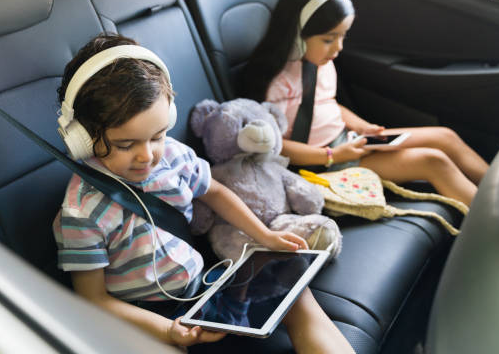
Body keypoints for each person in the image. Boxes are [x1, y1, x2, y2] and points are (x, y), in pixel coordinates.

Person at [53, 33, 355, 353]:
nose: (147, 155)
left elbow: (215, 192)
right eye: (126, 145)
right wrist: (168, 331)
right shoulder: (81, 213)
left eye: (157, 135)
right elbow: (93, 300)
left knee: (293, 292)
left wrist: (265, 236)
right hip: (150, 316)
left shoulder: (172, 155)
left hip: (203, 287)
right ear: (83, 139)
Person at [239, 0, 488, 206]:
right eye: (328, 39)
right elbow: (277, 145)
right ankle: (496, 222)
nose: (338, 48)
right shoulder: (276, 84)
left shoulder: (320, 63)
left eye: (342, 36)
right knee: (433, 161)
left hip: (348, 142)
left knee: (445, 137)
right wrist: (331, 155)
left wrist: (360, 126)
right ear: (296, 34)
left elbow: (327, 104)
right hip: (319, 164)